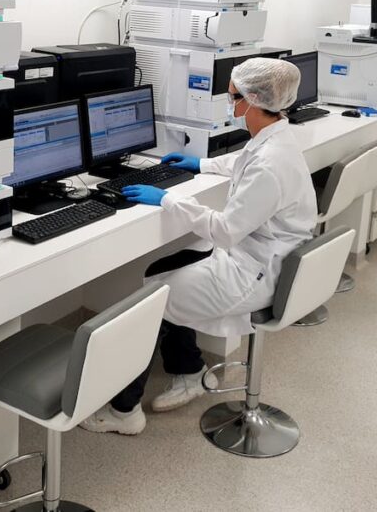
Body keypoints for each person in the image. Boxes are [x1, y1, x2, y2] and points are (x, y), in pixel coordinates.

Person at [80, 57, 317, 435]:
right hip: (261, 257)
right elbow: (243, 163)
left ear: (253, 101)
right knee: (160, 272)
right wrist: (200, 164)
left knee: (153, 301)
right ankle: (189, 370)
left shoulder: (270, 164)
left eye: (233, 96)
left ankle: (124, 411)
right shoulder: (277, 138)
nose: (229, 102)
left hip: (254, 272)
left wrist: (167, 199)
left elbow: (225, 231)